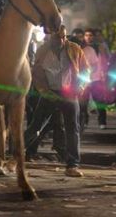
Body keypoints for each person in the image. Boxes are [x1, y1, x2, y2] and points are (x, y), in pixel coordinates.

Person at [25, 25, 88, 177]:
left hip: (69, 93)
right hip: (49, 93)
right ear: (50, 37)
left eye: (63, 37)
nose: (61, 40)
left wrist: (80, 87)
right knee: (36, 126)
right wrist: (44, 91)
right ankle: (16, 155)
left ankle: (72, 164)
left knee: (72, 129)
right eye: (57, 37)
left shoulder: (74, 48)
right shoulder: (42, 50)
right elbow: (37, 73)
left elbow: (85, 71)